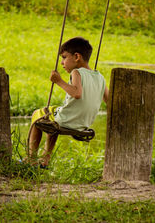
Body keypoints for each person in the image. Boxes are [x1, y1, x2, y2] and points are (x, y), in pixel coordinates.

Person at [28, 37, 109, 168]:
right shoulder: (100, 78)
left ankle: (30, 158)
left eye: (64, 57)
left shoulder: (76, 72)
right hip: (84, 123)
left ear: (77, 56)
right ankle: (45, 160)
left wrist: (59, 81)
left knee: (37, 115)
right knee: (52, 120)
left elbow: (77, 93)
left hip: (67, 120)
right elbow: (109, 101)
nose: (61, 62)